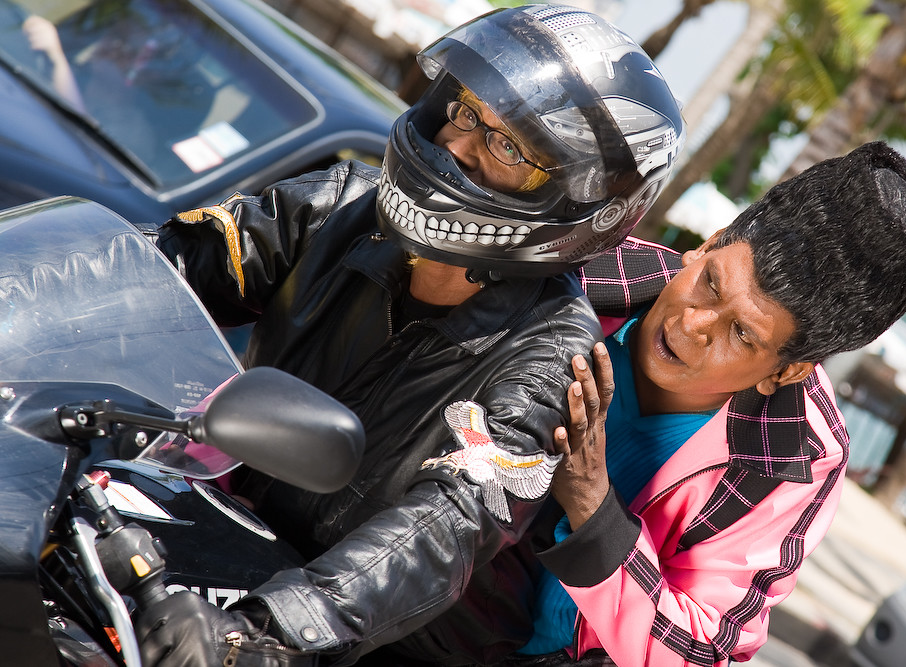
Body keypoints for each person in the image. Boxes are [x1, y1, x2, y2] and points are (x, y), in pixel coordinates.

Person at [133, 5, 685, 666]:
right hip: (207, 542)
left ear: (576, 201)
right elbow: (156, 268)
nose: (458, 145)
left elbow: (446, 525)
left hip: (347, 636)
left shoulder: (550, 359)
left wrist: (272, 630)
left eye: (509, 147)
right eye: (467, 112)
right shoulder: (340, 207)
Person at [512, 141, 906, 666]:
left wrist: (590, 505)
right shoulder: (580, 272)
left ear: (786, 371)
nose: (693, 326)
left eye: (742, 335)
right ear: (707, 244)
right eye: (710, 284)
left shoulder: (793, 459)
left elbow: (701, 649)